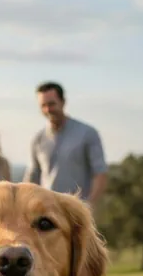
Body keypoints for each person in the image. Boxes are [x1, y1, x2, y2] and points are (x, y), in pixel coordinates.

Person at [23, 81, 109, 213]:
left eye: (52, 104)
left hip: (77, 212)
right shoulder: (38, 139)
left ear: (63, 102)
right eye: (43, 106)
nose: (48, 110)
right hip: (46, 214)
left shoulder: (87, 133)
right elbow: (32, 177)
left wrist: (89, 206)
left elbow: (100, 173)